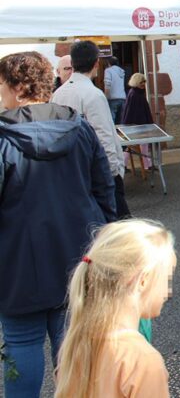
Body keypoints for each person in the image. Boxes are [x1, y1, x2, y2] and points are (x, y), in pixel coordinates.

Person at [0, 51, 115, 398]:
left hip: (18, 259)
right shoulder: (79, 128)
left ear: (18, 88)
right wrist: (106, 237)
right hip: (78, 252)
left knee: (22, 342)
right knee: (73, 343)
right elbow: (103, 187)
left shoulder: (3, 138)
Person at [54, 219, 180, 398]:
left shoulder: (79, 341)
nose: (168, 292)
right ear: (143, 280)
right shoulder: (141, 360)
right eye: (166, 279)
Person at [52, 40, 131, 219]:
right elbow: (104, 135)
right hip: (96, 171)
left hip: (70, 169)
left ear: (72, 64)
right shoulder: (93, 94)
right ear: (96, 63)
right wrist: (114, 171)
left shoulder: (58, 93)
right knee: (112, 226)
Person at [121, 72, 154, 170]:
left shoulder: (135, 93)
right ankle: (147, 165)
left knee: (131, 146)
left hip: (137, 125)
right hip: (138, 126)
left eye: (144, 81)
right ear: (136, 82)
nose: (143, 84)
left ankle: (123, 165)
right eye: (141, 82)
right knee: (142, 145)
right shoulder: (135, 94)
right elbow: (134, 112)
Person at [104, 56, 126, 124]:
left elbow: (107, 84)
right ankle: (122, 133)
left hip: (113, 98)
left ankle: (113, 134)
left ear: (109, 63)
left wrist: (105, 97)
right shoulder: (122, 71)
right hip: (122, 97)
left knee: (111, 119)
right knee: (121, 119)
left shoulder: (108, 70)